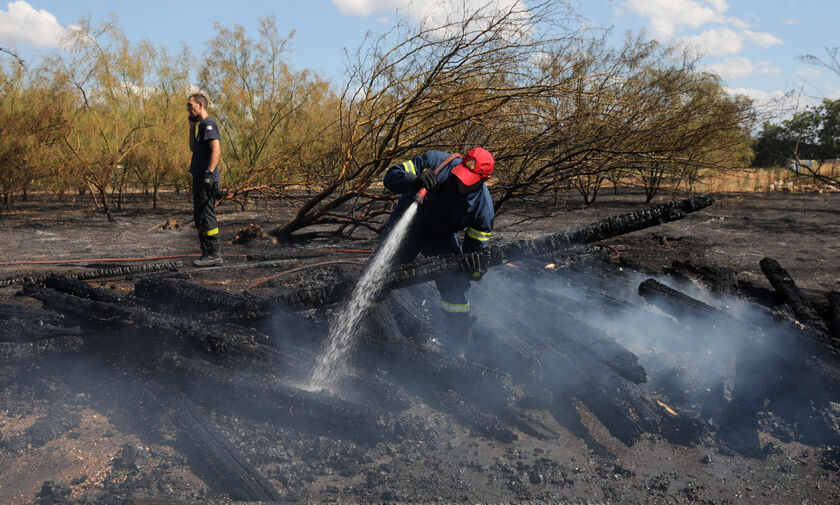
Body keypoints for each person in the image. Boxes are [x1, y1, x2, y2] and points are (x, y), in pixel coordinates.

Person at [372, 148, 495, 350]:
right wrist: (415, 180)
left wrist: (476, 269)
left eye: (470, 181)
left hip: (440, 237)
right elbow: (390, 177)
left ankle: (457, 342)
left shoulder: (483, 210)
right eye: (463, 176)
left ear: (484, 180)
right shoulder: (435, 162)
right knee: (380, 275)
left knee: (456, 281)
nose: (463, 183)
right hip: (406, 226)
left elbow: (474, 255)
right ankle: (362, 316)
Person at [187, 93, 223, 267]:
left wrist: (208, 174)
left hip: (206, 179)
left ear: (200, 105)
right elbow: (193, 147)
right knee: (199, 216)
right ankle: (207, 253)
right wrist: (191, 128)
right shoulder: (201, 126)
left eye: (190, 105)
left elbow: (216, 150)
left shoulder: (209, 124)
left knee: (207, 215)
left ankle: (215, 254)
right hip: (199, 176)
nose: (188, 109)